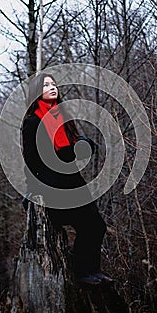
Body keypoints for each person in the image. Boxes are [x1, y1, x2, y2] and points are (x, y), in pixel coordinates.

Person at [21, 73, 113, 286]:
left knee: (97, 226)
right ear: (37, 92)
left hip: (74, 181)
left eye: (53, 83)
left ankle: (94, 270)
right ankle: (82, 274)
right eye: (45, 85)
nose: (52, 87)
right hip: (52, 187)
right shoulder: (33, 122)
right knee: (86, 225)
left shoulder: (62, 116)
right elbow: (34, 161)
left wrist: (83, 146)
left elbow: (73, 153)